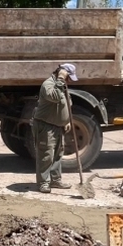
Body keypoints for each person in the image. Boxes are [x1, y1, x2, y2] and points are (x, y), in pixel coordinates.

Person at [33, 63, 78, 194]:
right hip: (46, 125)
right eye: (69, 77)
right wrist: (61, 79)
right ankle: (43, 183)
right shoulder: (49, 84)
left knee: (58, 155)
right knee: (46, 155)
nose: (70, 81)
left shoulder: (62, 86)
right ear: (62, 73)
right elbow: (55, 97)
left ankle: (55, 180)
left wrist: (67, 120)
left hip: (58, 126)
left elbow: (66, 104)